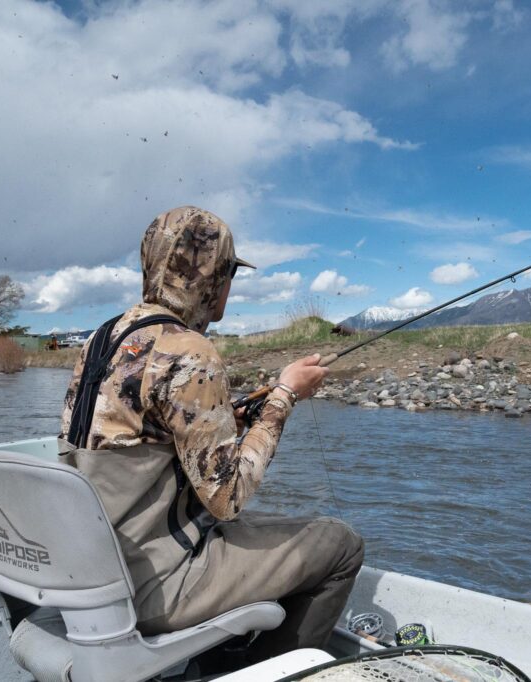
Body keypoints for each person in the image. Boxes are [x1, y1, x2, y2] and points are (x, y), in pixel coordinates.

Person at [58, 206, 364, 663]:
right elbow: (229, 497)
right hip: (157, 585)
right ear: (212, 279)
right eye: (227, 276)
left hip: (94, 574)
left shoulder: (102, 339)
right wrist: (284, 396)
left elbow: (135, 439)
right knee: (341, 544)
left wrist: (230, 421)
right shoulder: (190, 351)